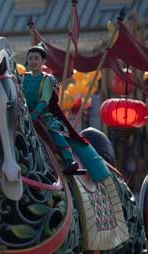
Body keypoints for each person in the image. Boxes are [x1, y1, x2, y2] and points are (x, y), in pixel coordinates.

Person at [21, 44, 109, 180]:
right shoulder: (23, 78)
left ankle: (69, 161)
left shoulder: (47, 80)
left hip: (43, 116)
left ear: (43, 61)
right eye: (30, 58)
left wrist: (35, 113)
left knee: (55, 132)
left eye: (36, 58)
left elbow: (45, 100)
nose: (33, 61)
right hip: (25, 116)